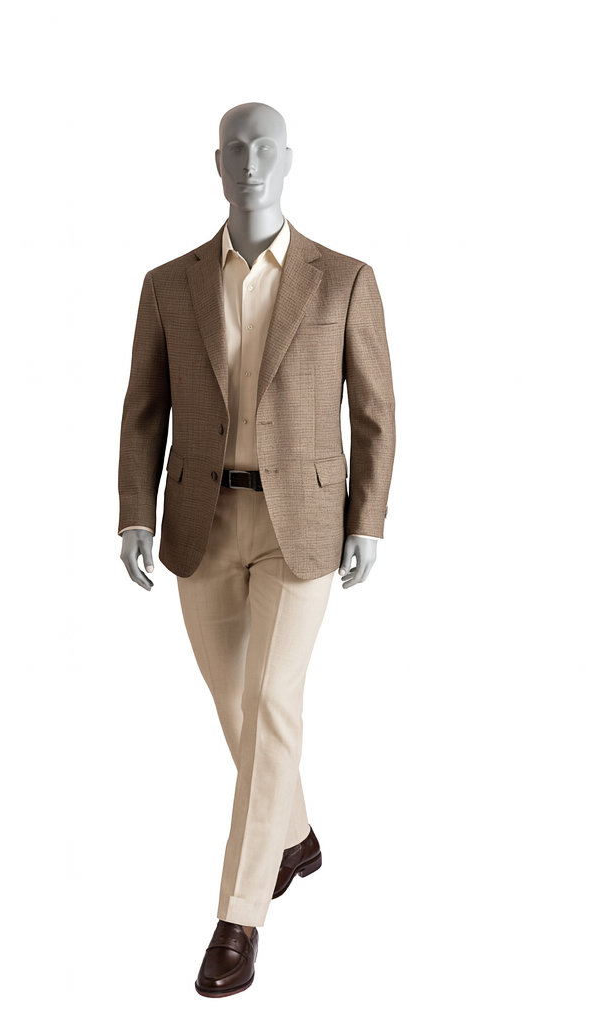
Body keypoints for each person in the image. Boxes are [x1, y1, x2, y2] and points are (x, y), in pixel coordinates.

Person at [117, 101, 396, 996]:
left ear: (289, 160)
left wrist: (367, 518)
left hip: (299, 527)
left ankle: (238, 918)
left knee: (272, 699)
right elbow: (143, 409)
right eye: (235, 148)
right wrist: (133, 512)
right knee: (237, 706)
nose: (250, 161)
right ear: (216, 163)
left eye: (265, 146)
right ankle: (296, 833)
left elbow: (376, 411)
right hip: (200, 521)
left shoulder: (343, 278)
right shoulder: (169, 284)